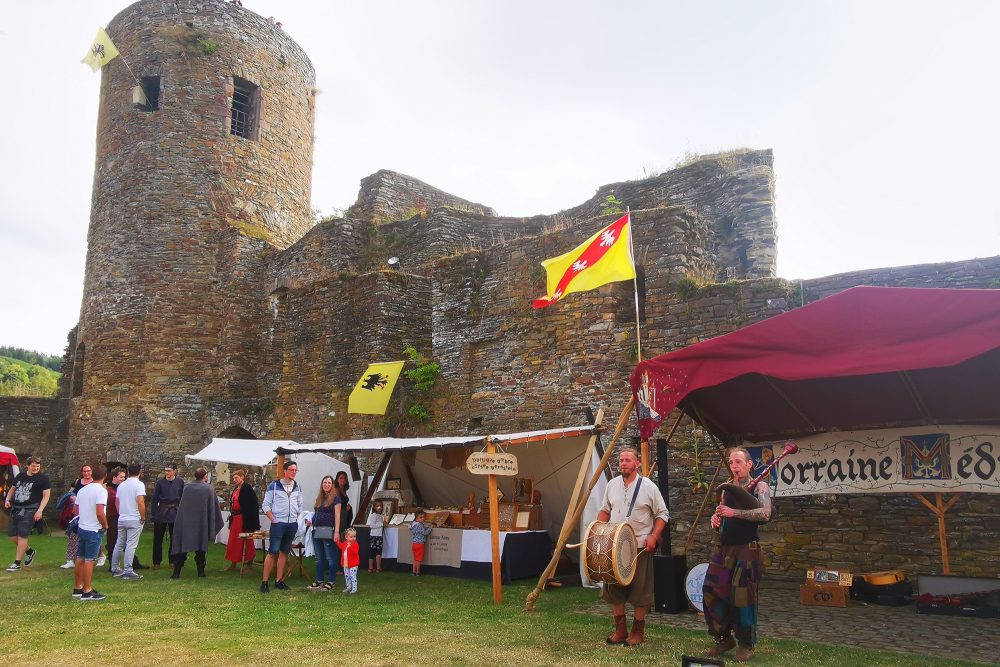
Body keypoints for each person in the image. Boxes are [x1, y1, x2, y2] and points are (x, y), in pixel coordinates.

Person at [702, 448, 771, 663]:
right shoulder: (726, 489)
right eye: (731, 462)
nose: (734, 466)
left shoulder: (760, 486)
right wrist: (715, 519)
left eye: (739, 461)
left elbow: (765, 513)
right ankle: (723, 637)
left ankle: (746, 644)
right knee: (711, 591)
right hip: (724, 550)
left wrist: (735, 513)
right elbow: (722, 514)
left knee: (742, 598)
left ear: (750, 464)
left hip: (746, 550)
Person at [597, 447, 669, 647]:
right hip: (614, 546)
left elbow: (662, 514)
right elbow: (604, 510)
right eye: (621, 460)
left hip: (640, 547)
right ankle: (620, 630)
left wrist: (654, 536)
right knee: (614, 590)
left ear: (637, 463)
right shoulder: (611, 485)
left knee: (641, 591)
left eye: (628, 460)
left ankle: (638, 632)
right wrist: (598, 532)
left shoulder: (648, 486)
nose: (623, 463)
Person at [170, 467, 224, 579]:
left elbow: (182, 506)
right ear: (205, 476)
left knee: (182, 549)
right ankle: (200, 572)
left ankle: (176, 573)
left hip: (187, 524)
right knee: (200, 549)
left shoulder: (187, 488)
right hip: (201, 524)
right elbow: (213, 508)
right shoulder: (208, 489)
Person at [260, 460, 302, 593]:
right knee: (272, 552)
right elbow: (265, 505)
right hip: (278, 523)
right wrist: (273, 519)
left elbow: (300, 505)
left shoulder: (297, 487)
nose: (293, 472)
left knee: (284, 552)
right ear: (284, 471)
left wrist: (298, 518)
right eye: (291, 470)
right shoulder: (274, 485)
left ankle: (279, 580)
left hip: (292, 524)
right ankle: (264, 582)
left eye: (295, 470)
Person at [4, 456, 51, 572]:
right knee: (12, 535)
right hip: (16, 508)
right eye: (33, 466)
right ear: (28, 466)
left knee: (22, 535)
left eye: (37, 466)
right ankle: (29, 551)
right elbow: (13, 489)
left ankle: (17, 563)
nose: (35, 468)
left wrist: (40, 510)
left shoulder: (43, 478)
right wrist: (7, 499)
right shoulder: (20, 476)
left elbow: (46, 496)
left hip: (31, 509)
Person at [73, 465, 109, 600]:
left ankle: (78, 587)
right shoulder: (101, 491)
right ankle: (87, 591)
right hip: (94, 529)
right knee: (90, 560)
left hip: (82, 527)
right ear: (105, 476)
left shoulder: (83, 490)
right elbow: (100, 512)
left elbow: (75, 510)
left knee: (80, 558)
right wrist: (105, 525)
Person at [112, 463, 147, 580]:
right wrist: (143, 516)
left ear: (128, 472)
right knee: (131, 544)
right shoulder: (139, 484)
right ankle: (128, 570)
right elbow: (140, 502)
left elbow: (117, 502)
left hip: (122, 518)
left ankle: (115, 568)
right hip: (134, 518)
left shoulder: (121, 485)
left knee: (119, 543)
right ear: (139, 472)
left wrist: (121, 513)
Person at [223, 469, 260, 572]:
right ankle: (233, 563)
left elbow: (253, 506)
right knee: (234, 541)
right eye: (233, 478)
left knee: (246, 541)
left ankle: (249, 565)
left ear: (242, 477)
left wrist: (250, 523)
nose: (234, 480)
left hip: (244, 519)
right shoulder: (236, 489)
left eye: (236, 477)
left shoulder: (247, 489)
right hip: (235, 519)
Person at [306, 475, 337, 591]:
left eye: (329, 483)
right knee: (318, 558)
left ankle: (331, 581)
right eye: (324, 482)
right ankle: (319, 580)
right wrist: (311, 521)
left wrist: (337, 531)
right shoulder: (320, 498)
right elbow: (316, 513)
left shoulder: (335, 498)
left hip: (328, 530)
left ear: (332, 484)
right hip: (316, 530)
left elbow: (337, 516)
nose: (326, 485)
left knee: (330, 557)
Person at [150, 464, 184, 569]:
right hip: (162, 512)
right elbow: (154, 500)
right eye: (166, 470)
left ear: (174, 471)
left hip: (175, 512)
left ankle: (173, 561)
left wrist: (182, 513)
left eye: (169, 471)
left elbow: (182, 498)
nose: (167, 473)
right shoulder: (160, 483)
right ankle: (156, 562)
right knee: (157, 539)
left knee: (175, 539)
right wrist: (154, 514)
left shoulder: (180, 482)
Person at [62, 464, 95, 569]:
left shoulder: (95, 483)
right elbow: (69, 494)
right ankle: (71, 559)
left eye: (88, 471)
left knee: (90, 537)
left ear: (91, 471)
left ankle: (99, 555)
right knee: (73, 535)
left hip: (89, 514)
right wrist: (71, 497)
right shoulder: (77, 482)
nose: (86, 473)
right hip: (77, 513)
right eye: (84, 471)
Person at [104, 468, 126, 572]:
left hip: (121, 517)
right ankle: (111, 564)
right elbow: (116, 501)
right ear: (114, 477)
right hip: (113, 518)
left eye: (124, 477)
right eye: (121, 477)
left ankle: (133, 562)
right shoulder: (109, 490)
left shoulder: (120, 488)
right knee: (112, 541)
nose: (123, 479)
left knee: (126, 540)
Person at [336, 527, 360, 593]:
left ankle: (354, 588)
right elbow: (341, 546)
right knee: (347, 576)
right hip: (346, 564)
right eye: (351, 536)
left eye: (354, 536)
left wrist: (350, 548)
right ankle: (349, 587)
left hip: (353, 564)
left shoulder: (355, 544)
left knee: (352, 576)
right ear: (346, 537)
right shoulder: (345, 543)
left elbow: (355, 552)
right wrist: (337, 541)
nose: (353, 538)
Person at [409, 509, 432, 576]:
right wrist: (430, 528)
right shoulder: (419, 525)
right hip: (419, 544)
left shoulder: (413, 524)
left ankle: (413, 572)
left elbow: (423, 526)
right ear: (416, 518)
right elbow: (425, 533)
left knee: (415, 559)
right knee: (418, 560)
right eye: (421, 517)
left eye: (423, 517)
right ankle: (418, 572)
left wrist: (427, 525)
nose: (423, 519)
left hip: (414, 544)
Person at [366, 499, 385, 573]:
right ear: (374, 507)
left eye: (380, 506)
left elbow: (380, 524)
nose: (379, 507)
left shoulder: (380, 516)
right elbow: (372, 525)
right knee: (372, 552)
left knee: (378, 552)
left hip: (379, 536)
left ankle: (378, 568)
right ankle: (370, 568)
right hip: (374, 536)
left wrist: (383, 523)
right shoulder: (373, 515)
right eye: (377, 506)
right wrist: (382, 524)